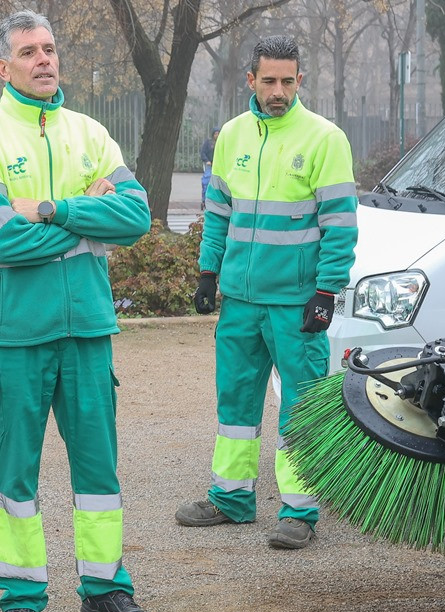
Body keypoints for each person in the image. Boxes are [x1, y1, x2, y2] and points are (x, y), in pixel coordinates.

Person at [0, 9, 160, 612]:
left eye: (49, 49)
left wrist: (50, 208)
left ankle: (105, 590)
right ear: (3, 67)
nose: (44, 60)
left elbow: (136, 217)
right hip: (14, 334)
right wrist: (88, 218)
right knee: (16, 472)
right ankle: (20, 597)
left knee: (98, 469)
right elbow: (0, 237)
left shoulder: (90, 131)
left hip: (87, 331)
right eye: (28, 52)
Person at [174, 35, 358, 549]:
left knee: (300, 404)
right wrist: (208, 273)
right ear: (250, 80)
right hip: (240, 299)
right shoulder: (231, 136)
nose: (279, 90)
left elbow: (340, 225)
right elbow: (217, 214)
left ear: (301, 80)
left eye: (288, 80)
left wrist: (327, 290)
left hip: (297, 302)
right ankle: (231, 498)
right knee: (235, 398)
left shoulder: (325, 138)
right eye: (269, 80)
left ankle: (300, 510)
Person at [199, 126, 218, 209]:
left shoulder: (221, 142)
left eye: (218, 133)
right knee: (206, 182)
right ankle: (204, 200)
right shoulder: (208, 142)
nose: (217, 135)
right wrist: (207, 160)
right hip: (209, 165)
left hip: (218, 165)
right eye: (216, 134)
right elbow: (203, 152)